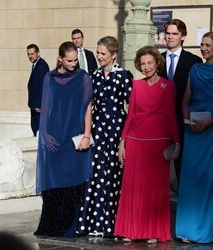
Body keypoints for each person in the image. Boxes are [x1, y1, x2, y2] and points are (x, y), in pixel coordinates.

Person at [114, 46, 180, 243]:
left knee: (155, 189)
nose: (146, 67)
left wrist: (177, 142)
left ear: (157, 63)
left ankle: (153, 231)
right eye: (143, 64)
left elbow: (171, 116)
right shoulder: (136, 85)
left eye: (150, 63)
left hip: (158, 144)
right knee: (132, 188)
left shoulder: (168, 86)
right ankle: (130, 230)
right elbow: (131, 115)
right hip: (135, 142)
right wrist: (122, 142)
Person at [34, 41, 93, 237]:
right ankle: (51, 226)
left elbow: (87, 108)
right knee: (54, 182)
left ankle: (69, 226)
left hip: (74, 137)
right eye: (69, 60)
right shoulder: (49, 77)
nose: (73, 63)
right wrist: (45, 134)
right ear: (60, 58)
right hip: (54, 137)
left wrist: (86, 135)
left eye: (76, 60)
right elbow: (45, 107)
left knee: (73, 182)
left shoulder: (83, 77)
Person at [176, 31, 213, 244]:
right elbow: (185, 100)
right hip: (194, 131)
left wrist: (207, 123)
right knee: (192, 179)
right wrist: (187, 120)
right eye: (202, 44)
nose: (204, 48)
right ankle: (188, 229)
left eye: (208, 45)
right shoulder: (195, 69)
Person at [77, 36, 133, 237]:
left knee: (114, 175)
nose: (99, 57)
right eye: (98, 53)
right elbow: (88, 106)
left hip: (117, 133)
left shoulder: (124, 75)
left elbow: (132, 108)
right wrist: (87, 133)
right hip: (98, 131)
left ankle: (114, 224)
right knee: (96, 175)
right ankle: (96, 224)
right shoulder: (93, 75)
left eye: (103, 54)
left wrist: (125, 138)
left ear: (113, 55)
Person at [160, 19, 203, 185]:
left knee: (183, 165)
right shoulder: (157, 60)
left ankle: (183, 203)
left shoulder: (194, 61)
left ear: (183, 36)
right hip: (161, 121)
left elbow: (198, 94)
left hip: (183, 121)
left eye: (174, 34)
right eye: (168, 33)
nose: (170, 37)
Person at [27, 44, 49, 136]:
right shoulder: (36, 65)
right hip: (35, 107)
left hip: (38, 108)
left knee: (39, 132)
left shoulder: (42, 65)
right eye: (28, 54)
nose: (30, 56)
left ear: (38, 53)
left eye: (32, 54)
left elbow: (44, 86)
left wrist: (39, 104)